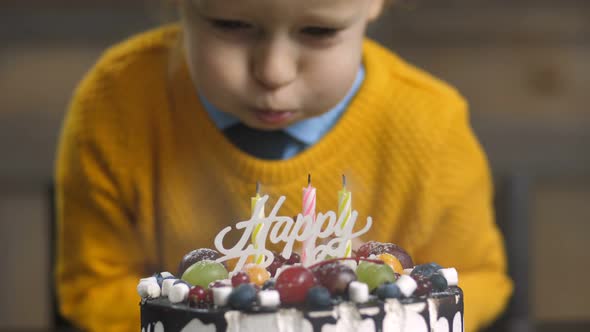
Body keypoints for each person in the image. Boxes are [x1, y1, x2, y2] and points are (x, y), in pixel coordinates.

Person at [55, 0, 512, 331]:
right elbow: (93, 290)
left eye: (318, 31)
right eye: (232, 23)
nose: (273, 72)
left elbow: (478, 280)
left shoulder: (432, 126)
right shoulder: (116, 105)